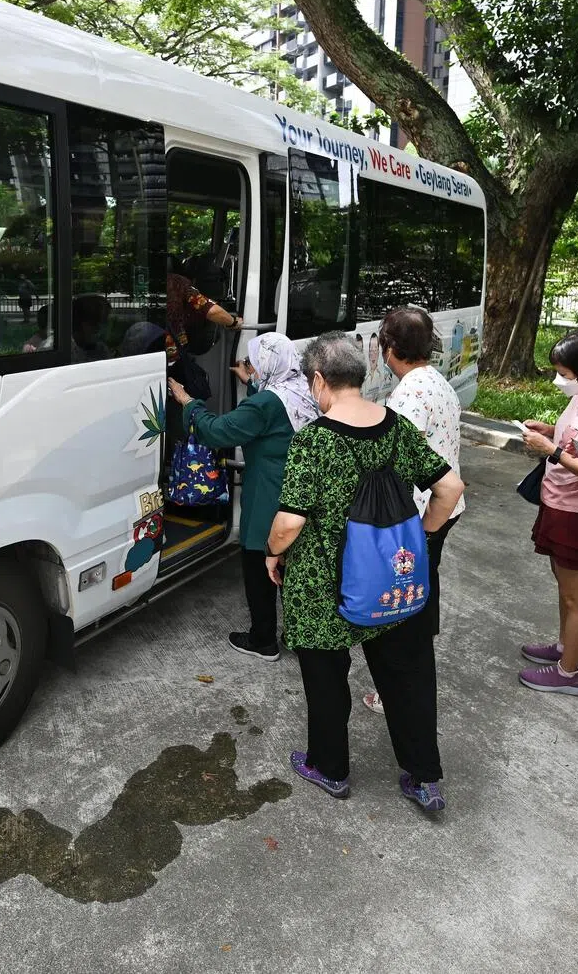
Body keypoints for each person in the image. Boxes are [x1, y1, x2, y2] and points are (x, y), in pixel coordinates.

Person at [265, 332, 465, 811]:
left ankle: (329, 768)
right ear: (360, 375)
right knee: (407, 676)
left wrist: (273, 553)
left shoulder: (313, 442)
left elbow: (290, 522)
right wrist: (424, 538)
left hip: (322, 585)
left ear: (319, 382)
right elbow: (451, 487)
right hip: (389, 581)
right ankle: (422, 778)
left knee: (326, 678)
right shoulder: (396, 426)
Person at [168, 332, 317, 661]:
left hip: (268, 492)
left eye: (252, 362)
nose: (250, 367)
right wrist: (251, 380)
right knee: (292, 565)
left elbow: (219, 430)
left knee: (260, 563)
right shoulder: (301, 388)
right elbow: (269, 409)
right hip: (297, 488)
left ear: (268, 363)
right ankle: (300, 635)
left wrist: (189, 403)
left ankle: (263, 639)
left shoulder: (265, 403)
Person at [361, 306, 465, 715]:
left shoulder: (409, 393)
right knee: (422, 590)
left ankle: (396, 688)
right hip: (445, 507)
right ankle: (411, 666)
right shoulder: (438, 381)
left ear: (389, 349)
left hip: (421, 515)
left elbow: (395, 461)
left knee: (402, 603)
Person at [518, 331, 578, 696]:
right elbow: (575, 441)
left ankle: (569, 673)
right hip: (558, 503)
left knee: (576, 594)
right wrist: (550, 432)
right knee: (562, 581)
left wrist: (550, 450)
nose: (560, 380)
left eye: (565, 373)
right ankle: (566, 646)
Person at [165, 270, 242, 374]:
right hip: (172, 356)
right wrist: (233, 322)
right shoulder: (176, 282)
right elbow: (211, 311)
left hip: (147, 354)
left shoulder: (141, 280)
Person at [71, 293, 112, 362]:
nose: (99, 328)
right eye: (95, 323)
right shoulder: (64, 350)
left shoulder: (101, 348)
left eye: (105, 322)